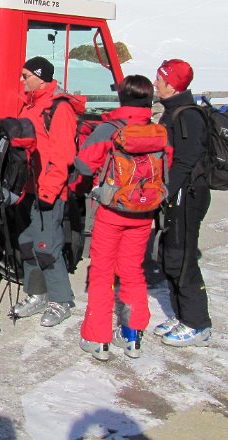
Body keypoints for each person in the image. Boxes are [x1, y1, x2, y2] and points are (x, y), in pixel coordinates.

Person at [72, 75, 167, 361]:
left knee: (101, 273)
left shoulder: (109, 129)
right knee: (132, 270)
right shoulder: (157, 132)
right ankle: (132, 335)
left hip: (112, 210)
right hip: (144, 212)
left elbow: (84, 165)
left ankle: (97, 337)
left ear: (122, 98)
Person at [10, 56, 82, 327]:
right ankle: (37, 293)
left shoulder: (58, 109)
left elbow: (63, 154)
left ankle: (61, 300)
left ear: (40, 76)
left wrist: (49, 192)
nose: (22, 80)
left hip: (47, 191)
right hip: (27, 188)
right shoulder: (31, 105)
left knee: (47, 248)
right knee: (27, 244)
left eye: (26, 75)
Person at [153, 58, 212, 347]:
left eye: (160, 79)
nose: (156, 83)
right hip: (176, 196)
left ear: (172, 84)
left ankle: (198, 323)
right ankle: (181, 315)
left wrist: (164, 190)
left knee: (183, 257)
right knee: (170, 256)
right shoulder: (172, 112)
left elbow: (186, 160)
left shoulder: (187, 115)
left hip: (187, 196)